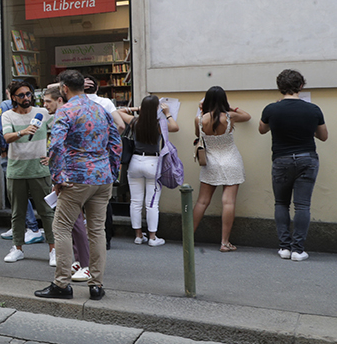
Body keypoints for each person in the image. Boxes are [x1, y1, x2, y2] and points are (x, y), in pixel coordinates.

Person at [36, 69, 121, 300]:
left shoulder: (67, 111)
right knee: (97, 230)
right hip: (102, 177)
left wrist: (57, 177)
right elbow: (116, 141)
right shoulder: (100, 109)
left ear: (64, 89)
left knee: (62, 227)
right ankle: (96, 284)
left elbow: (55, 146)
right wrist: (112, 171)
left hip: (76, 176)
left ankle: (62, 284)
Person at [259, 69, 327, 262]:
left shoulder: (271, 109)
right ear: (301, 86)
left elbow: (262, 129)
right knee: (302, 205)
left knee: (281, 203)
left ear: (280, 88)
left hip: (281, 159)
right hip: (307, 159)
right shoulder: (313, 110)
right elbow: (323, 136)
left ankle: (284, 248)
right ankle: (298, 250)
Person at [0, 80, 56, 264]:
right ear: (14, 97)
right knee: (18, 211)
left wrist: (52, 156)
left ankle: (53, 249)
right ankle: (17, 248)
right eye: (22, 95)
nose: (26, 98)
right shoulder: (8, 115)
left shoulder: (42, 113)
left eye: (29, 94)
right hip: (16, 169)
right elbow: (7, 137)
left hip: (39, 169)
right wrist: (23, 132)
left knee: (47, 211)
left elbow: (59, 133)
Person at [192, 87, 251, 252]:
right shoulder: (230, 117)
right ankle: (225, 242)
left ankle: (188, 236)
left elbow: (198, 135)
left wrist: (201, 109)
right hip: (231, 160)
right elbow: (248, 116)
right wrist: (232, 108)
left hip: (210, 162)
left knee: (202, 201)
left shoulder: (199, 119)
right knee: (229, 202)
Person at [115, 95, 179, 246]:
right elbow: (175, 127)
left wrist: (136, 109)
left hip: (135, 162)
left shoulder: (135, 121)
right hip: (152, 162)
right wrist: (167, 112)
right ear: (157, 108)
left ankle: (138, 236)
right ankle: (152, 237)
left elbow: (117, 112)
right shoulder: (159, 124)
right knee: (152, 202)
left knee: (135, 201)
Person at [43, 86, 91, 282]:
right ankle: (81, 261)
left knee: (74, 223)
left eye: (48, 101)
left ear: (60, 99)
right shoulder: (85, 110)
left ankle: (85, 265)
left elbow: (58, 147)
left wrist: (58, 178)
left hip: (72, 176)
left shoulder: (64, 115)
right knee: (78, 222)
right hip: (81, 174)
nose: (44, 105)